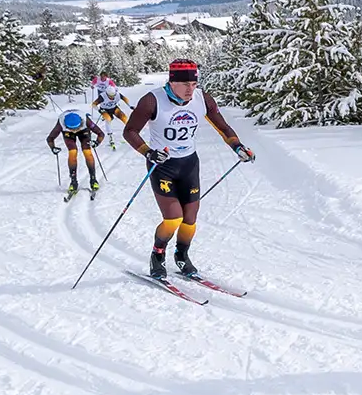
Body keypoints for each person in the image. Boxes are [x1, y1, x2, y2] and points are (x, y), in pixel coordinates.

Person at [123, 58, 254, 281]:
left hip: (189, 164)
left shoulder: (202, 99)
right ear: (172, 82)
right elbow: (130, 131)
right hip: (162, 166)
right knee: (173, 218)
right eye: (185, 84)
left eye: (193, 84)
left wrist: (238, 147)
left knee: (190, 219)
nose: (190, 89)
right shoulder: (152, 100)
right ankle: (157, 255)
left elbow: (222, 127)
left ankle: (182, 255)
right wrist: (148, 152)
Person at [46, 108, 105, 199]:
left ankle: (93, 180)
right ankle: (73, 182)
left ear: (80, 123)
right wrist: (53, 148)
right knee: (72, 152)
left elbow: (101, 133)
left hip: (84, 131)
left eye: (76, 128)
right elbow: (50, 138)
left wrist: (96, 142)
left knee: (87, 152)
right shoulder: (61, 123)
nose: (75, 131)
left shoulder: (86, 120)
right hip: (67, 133)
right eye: (72, 129)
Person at [91, 77, 128, 145]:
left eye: (113, 95)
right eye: (110, 96)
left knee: (124, 118)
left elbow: (125, 99)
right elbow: (93, 104)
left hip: (114, 108)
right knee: (108, 119)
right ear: (107, 94)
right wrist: (99, 109)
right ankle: (110, 137)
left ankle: (130, 134)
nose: (112, 97)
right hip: (104, 109)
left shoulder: (117, 94)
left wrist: (130, 105)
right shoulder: (102, 96)